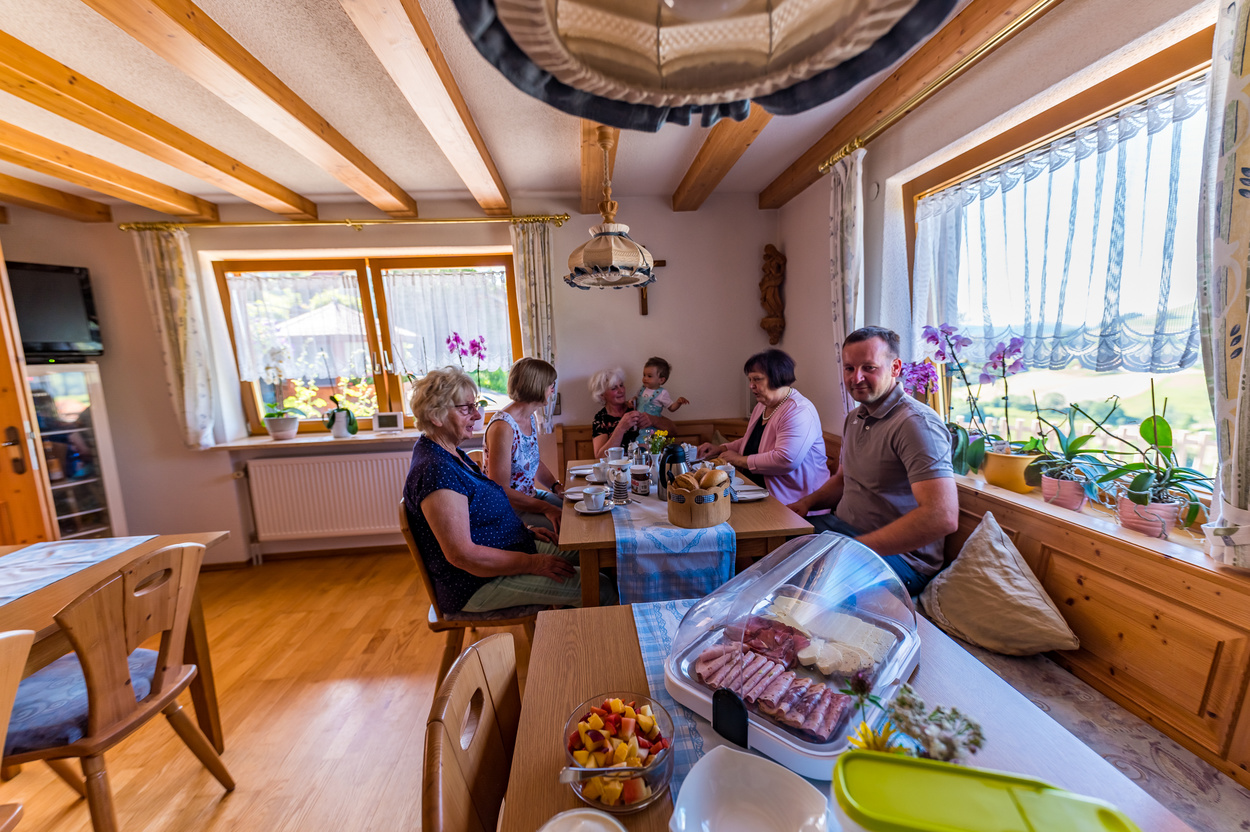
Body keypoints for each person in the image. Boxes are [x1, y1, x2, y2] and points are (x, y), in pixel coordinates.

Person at [403, 366, 614, 614]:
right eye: (466, 408)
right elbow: (464, 556)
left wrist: (525, 530)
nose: (476, 415)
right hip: (475, 583)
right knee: (600, 587)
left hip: (508, 549)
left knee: (597, 556)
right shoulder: (435, 470)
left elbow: (480, 514)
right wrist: (532, 563)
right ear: (435, 416)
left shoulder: (450, 452)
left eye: (475, 405)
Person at [787, 327, 958, 595]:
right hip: (844, 531)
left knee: (805, 593)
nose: (856, 378)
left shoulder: (915, 424)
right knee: (776, 546)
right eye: (849, 368)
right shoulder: (854, 417)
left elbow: (942, 517)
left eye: (869, 367)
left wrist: (855, 548)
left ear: (895, 368)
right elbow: (843, 480)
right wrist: (806, 503)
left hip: (901, 558)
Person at [697, 349, 828, 506]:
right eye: (750, 380)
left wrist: (738, 460)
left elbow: (785, 460)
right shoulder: (762, 405)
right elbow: (752, 441)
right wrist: (721, 448)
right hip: (758, 492)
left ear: (777, 377)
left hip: (795, 503)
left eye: (757, 379)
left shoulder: (798, 410)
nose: (751, 386)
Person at [484, 358, 564, 532]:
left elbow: (533, 461)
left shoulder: (530, 417)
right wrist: (547, 508)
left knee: (573, 511)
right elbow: (501, 490)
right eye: (550, 384)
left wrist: (556, 486)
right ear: (536, 386)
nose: (552, 389)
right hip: (510, 509)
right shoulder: (502, 427)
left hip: (530, 496)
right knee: (567, 528)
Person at [589, 367, 675, 457]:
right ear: (602, 395)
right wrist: (621, 428)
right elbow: (600, 456)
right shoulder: (601, 419)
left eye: (621, 385)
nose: (621, 391)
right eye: (614, 388)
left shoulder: (637, 406)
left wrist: (654, 420)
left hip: (646, 462)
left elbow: (673, 431)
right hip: (619, 465)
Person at [632, 356, 690, 442]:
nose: (645, 378)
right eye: (644, 375)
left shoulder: (662, 393)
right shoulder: (642, 389)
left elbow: (671, 407)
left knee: (644, 442)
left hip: (652, 428)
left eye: (649, 376)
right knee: (636, 441)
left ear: (661, 380)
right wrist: (632, 400)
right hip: (639, 425)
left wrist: (678, 402)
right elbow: (637, 399)